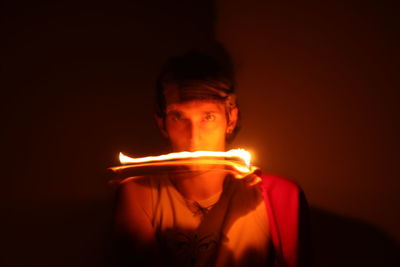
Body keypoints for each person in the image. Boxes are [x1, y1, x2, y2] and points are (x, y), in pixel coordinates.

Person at [112, 50, 309, 267]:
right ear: (162, 123)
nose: (194, 136)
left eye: (208, 117)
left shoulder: (277, 198)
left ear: (231, 119)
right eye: (179, 117)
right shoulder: (139, 195)